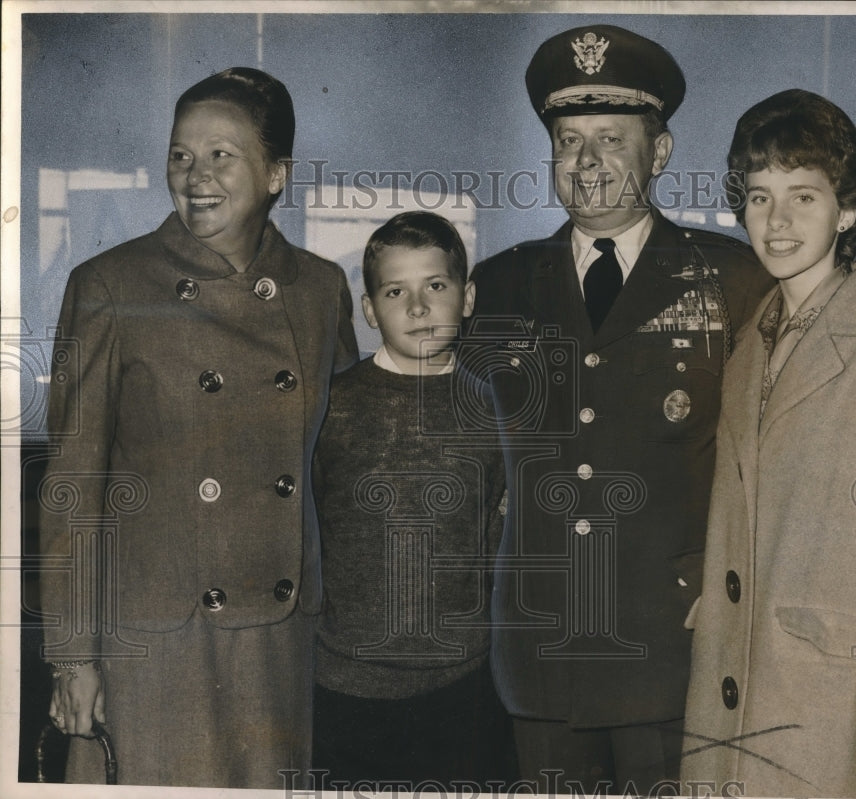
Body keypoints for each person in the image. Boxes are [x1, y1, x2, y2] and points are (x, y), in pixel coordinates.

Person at [468, 25, 773, 793]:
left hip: (671, 645)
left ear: (660, 153)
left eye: (611, 137)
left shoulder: (733, 281)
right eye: (569, 140)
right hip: (541, 651)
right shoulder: (497, 288)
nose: (587, 162)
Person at [39, 67, 359, 788]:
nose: (195, 175)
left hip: (279, 637)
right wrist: (74, 656)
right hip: (155, 636)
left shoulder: (318, 289)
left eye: (222, 154)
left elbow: (337, 464)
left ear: (277, 173)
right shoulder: (109, 285)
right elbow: (72, 482)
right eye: (181, 154)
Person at [680, 89, 856, 798]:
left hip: (838, 710)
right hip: (739, 690)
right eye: (759, 196)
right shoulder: (752, 343)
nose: (776, 221)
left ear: (849, 210)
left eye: (803, 197)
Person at [311, 211, 513, 786]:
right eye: (396, 291)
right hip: (346, 690)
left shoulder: (496, 413)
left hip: (463, 689)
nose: (418, 308)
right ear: (370, 310)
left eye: (437, 286)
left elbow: (499, 537)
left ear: (467, 297)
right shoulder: (331, 408)